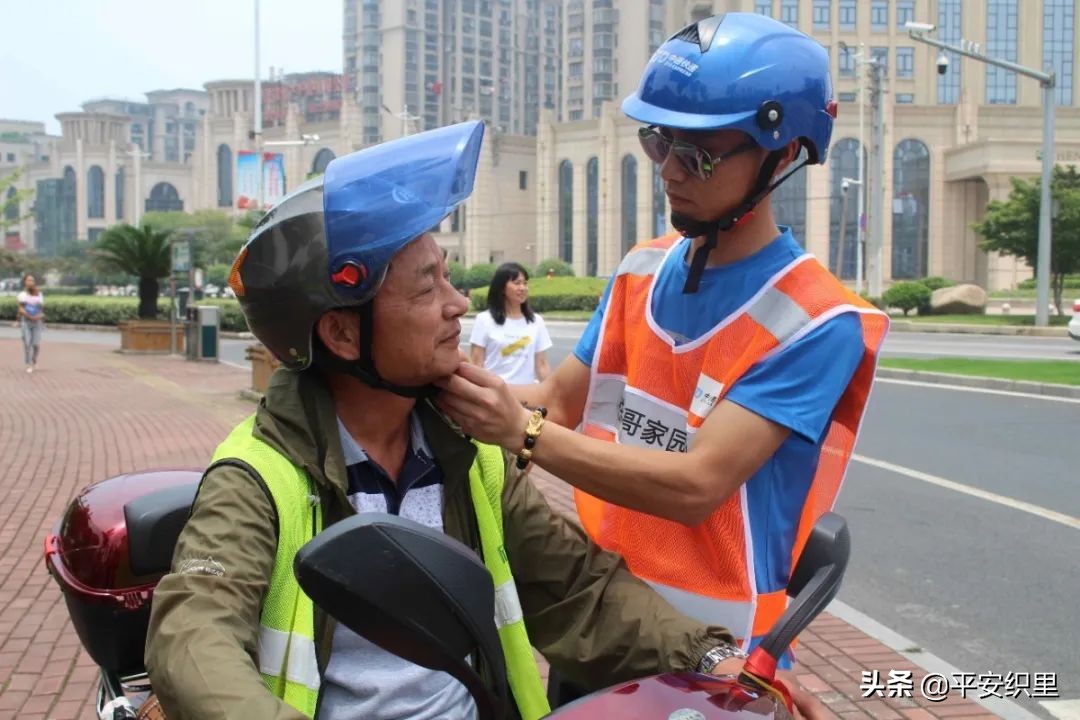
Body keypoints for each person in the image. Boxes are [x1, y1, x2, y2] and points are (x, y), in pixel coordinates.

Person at [144, 121, 823, 720]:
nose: (456, 304)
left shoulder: (468, 454)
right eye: (426, 287)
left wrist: (714, 659)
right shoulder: (258, 477)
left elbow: (579, 589)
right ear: (344, 337)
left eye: (448, 277)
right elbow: (193, 635)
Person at [434, 11, 890, 674]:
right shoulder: (642, 270)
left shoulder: (815, 322)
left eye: (699, 152)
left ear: (783, 154)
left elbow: (697, 484)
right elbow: (558, 402)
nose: (670, 170)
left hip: (715, 656)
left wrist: (520, 434)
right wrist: (441, 382)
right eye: (659, 143)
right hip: (603, 617)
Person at [469, 262, 552, 384]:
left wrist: (550, 397)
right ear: (502, 288)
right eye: (517, 283)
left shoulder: (536, 321)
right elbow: (476, 364)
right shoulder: (484, 320)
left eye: (525, 283)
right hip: (496, 396)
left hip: (526, 397)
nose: (522, 288)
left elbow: (542, 365)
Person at [15, 274, 44, 373]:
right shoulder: (21, 295)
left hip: (37, 322)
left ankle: (34, 360)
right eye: (28, 280)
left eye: (32, 280)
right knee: (27, 343)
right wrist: (23, 318)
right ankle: (29, 364)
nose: (30, 282)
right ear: (25, 282)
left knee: (35, 344)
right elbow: (21, 309)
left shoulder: (39, 294)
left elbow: (41, 309)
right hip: (26, 322)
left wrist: (38, 316)